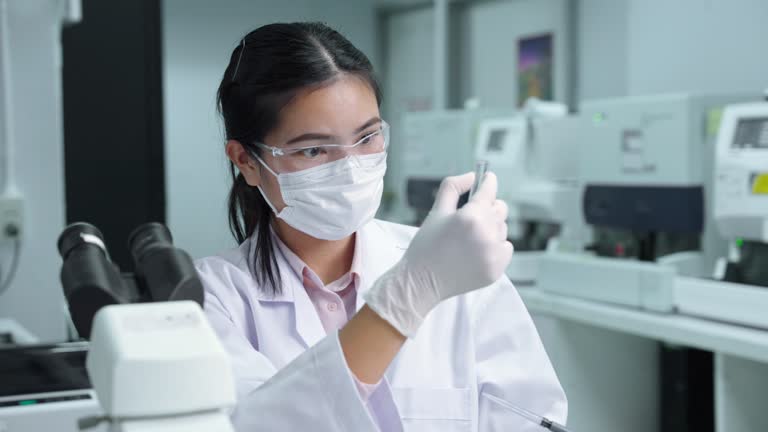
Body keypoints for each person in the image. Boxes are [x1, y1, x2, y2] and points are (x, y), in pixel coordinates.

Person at [196, 22, 567, 431]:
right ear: (246, 161)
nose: (351, 166)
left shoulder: (457, 269)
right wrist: (407, 296)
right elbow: (254, 427)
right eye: (314, 149)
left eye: (367, 137)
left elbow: (533, 417)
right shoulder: (212, 300)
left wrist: (425, 278)